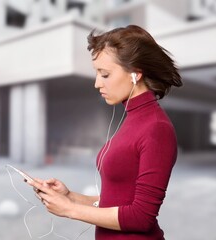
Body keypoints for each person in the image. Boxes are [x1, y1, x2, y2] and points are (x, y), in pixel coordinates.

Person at [27, 25, 183, 239]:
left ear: (135, 74)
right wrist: (70, 196)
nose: (97, 83)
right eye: (97, 74)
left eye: (105, 74)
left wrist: (70, 210)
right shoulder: (133, 119)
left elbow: (141, 217)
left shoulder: (156, 128)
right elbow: (117, 199)